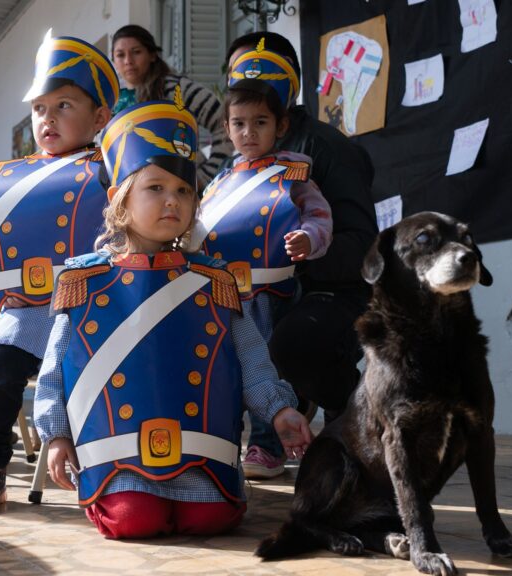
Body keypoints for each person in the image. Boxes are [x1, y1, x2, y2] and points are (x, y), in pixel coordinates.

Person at [34, 96, 312, 539]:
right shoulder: (82, 278)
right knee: (132, 522)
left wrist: (280, 412)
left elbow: (251, 360)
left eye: (184, 191)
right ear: (119, 198)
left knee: (212, 520)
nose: (172, 201)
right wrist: (56, 435)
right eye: (156, 188)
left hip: (201, 447)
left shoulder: (214, 278)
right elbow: (55, 371)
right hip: (117, 454)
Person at [0, 32, 118, 513]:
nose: (49, 119)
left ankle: (117, 466)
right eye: (41, 108)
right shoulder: (6, 179)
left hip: (96, 310)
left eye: (64, 105)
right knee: (2, 366)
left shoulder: (114, 172)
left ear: (100, 117)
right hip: (27, 313)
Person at [224, 32, 378, 477]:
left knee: (290, 345)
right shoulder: (234, 165)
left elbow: (360, 245)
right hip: (255, 292)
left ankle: (355, 419)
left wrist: (296, 256)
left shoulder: (326, 151)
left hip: (331, 288)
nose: (247, 86)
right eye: (238, 81)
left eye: (259, 77)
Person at [194, 41, 333, 479]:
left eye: (260, 123)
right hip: (223, 294)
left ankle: (268, 445)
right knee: (223, 370)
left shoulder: (293, 171)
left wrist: (309, 240)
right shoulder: (218, 180)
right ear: (226, 127)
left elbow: (319, 216)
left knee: (269, 367)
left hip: (271, 293)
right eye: (239, 123)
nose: (248, 133)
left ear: (280, 125)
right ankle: (220, 445)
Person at [110, 24, 233, 188]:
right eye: (120, 55)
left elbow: (225, 123)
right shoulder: (112, 101)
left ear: (152, 55)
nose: (128, 61)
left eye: (136, 52)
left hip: (181, 190)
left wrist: (208, 175)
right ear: (113, 60)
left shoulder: (176, 89)